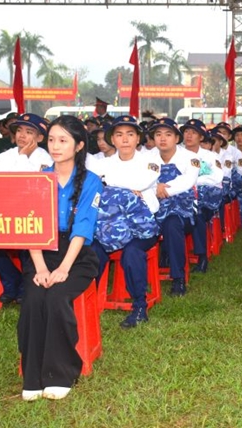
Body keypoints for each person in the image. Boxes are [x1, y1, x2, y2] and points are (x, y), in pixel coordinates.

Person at [18, 115, 103, 401]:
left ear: (79, 145)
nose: (55, 146)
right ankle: (32, 375)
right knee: (33, 297)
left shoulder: (91, 181)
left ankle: (60, 373)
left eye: (63, 140)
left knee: (56, 297)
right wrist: (40, 268)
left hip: (76, 256)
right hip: (40, 251)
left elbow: (83, 228)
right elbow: (31, 226)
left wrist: (64, 268)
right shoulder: (38, 179)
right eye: (52, 139)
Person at [89, 115, 161, 328]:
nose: (125, 139)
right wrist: (123, 189)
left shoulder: (151, 161)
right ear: (112, 139)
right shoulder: (103, 164)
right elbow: (92, 186)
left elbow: (141, 182)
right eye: (119, 135)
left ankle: (139, 305)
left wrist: (109, 185)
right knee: (92, 251)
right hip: (110, 225)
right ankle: (86, 302)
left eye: (130, 134)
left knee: (132, 253)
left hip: (142, 225)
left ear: (138, 138)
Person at [0, 113, 52, 306]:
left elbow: (31, 184)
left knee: (28, 243)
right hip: (7, 210)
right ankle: (12, 281)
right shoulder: (5, 156)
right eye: (19, 130)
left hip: (35, 214)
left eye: (29, 132)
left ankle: (25, 286)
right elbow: (0, 184)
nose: (22, 135)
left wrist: (24, 157)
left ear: (40, 137)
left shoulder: (46, 158)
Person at [150, 118, 200, 297]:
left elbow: (187, 181)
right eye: (158, 134)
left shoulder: (191, 158)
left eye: (168, 134)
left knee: (172, 223)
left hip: (182, 209)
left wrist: (158, 189)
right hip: (153, 206)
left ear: (177, 138)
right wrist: (153, 188)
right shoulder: (146, 157)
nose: (162, 138)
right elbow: (136, 179)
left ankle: (178, 277)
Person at [180, 119, 223, 274]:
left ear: (201, 137)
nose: (189, 135)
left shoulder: (210, 156)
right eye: (186, 131)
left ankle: (202, 256)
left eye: (193, 132)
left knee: (196, 214)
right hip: (180, 197)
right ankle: (167, 255)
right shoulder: (177, 154)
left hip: (205, 199)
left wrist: (191, 181)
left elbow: (216, 177)